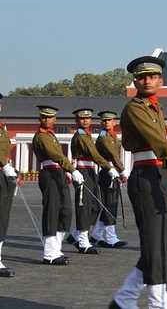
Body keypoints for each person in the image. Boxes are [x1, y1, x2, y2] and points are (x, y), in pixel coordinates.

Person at [110, 55, 167, 309]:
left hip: (162, 177)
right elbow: (157, 142)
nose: (146, 81)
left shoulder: (156, 109)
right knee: (154, 245)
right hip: (146, 177)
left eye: (152, 77)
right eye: (141, 77)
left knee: (164, 245)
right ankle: (158, 304)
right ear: (135, 81)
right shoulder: (135, 107)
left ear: (161, 81)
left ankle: (125, 297)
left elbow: (162, 145)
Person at [32, 105, 85, 265]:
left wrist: (66, 171)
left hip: (59, 173)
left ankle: (57, 249)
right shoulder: (41, 136)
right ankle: (49, 253)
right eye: (43, 117)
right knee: (52, 211)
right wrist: (72, 169)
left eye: (50, 117)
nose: (46, 119)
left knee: (65, 211)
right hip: (49, 173)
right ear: (40, 118)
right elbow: (55, 155)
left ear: (55, 119)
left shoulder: (51, 135)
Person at [67, 108, 111, 255]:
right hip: (83, 171)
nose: (84, 120)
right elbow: (93, 154)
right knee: (84, 207)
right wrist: (108, 166)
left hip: (91, 172)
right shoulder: (81, 136)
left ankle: (75, 235)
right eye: (81, 118)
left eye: (87, 118)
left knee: (95, 207)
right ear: (76, 120)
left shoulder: (87, 135)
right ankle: (83, 241)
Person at [93, 110, 129, 248]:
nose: (106, 122)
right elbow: (114, 155)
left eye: (109, 120)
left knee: (111, 205)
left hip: (112, 171)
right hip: (108, 172)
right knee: (110, 205)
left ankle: (96, 234)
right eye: (104, 121)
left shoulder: (112, 136)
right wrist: (123, 170)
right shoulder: (104, 137)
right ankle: (111, 238)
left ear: (114, 122)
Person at [0, 94, 17, 277]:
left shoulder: (2, 128)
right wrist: (4, 165)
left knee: (2, 216)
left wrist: (9, 166)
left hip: (3, 175)